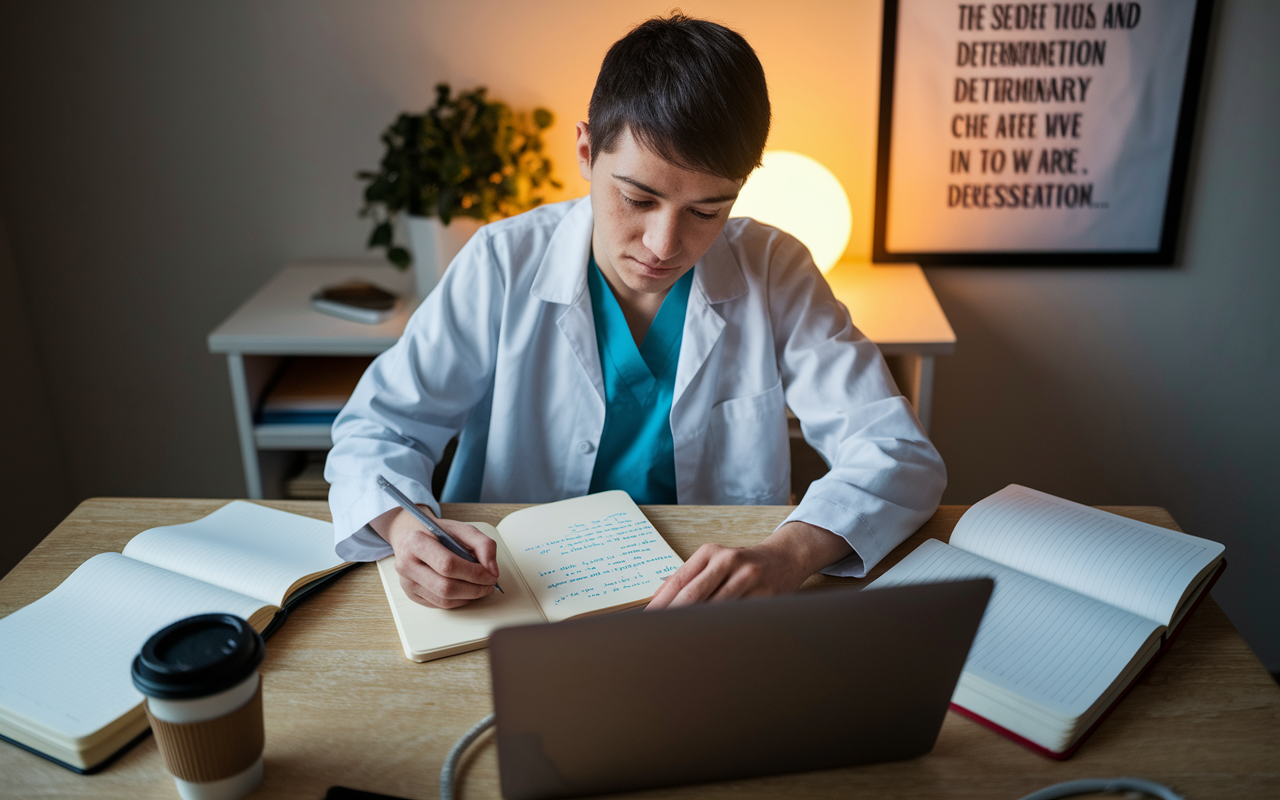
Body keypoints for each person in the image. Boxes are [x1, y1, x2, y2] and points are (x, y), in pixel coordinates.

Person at [325, 13, 945, 611]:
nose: (663, 245)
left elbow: (896, 452)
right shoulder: (501, 261)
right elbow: (379, 430)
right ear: (587, 151)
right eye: (638, 198)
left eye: (707, 212)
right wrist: (409, 531)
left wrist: (788, 554)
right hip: (508, 595)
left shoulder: (775, 269)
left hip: (699, 609)